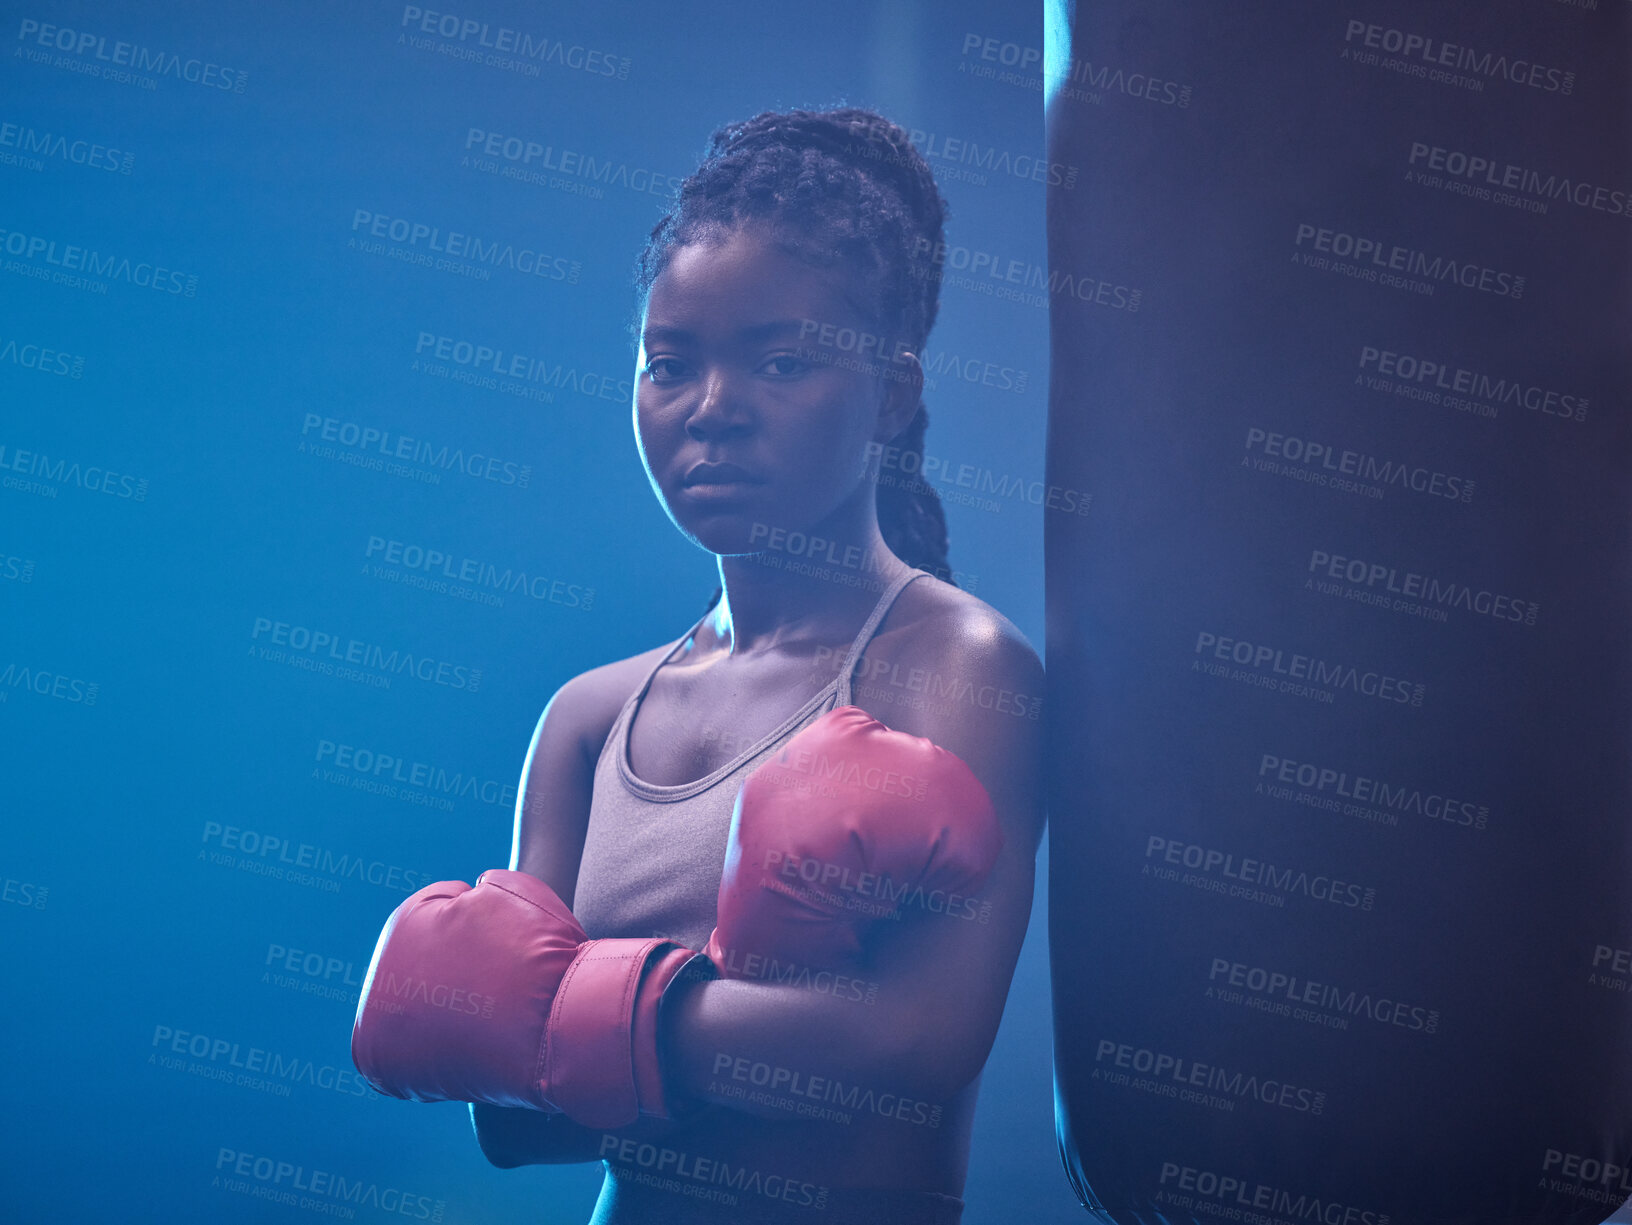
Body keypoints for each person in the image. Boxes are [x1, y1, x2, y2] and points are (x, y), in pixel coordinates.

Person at [367, 104, 1046, 1224]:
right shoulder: (589, 720)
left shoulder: (954, 666)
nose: (714, 411)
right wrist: (719, 1035)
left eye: (781, 361)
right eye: (669, 364)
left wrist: (574, 1028)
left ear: (892, 390)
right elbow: (517, 1121)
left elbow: (917, 1043)